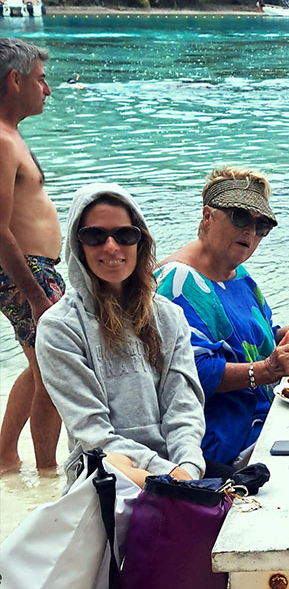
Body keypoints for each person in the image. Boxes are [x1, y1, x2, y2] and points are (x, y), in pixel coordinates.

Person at [156, 166, 289, 474]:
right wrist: (265, 371)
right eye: (240, 217)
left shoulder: (236, 273)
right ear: (207, 216)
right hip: (223, 441)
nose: (250, 232)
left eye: (262, 226)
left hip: (266, 418)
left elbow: (254, 341)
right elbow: (191, 373)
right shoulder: (178, 282)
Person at [35, 184, 205, 489]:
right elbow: (92, 432)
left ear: (140, 241)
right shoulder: (59, 327)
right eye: (95, 236)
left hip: (178, 474)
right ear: (78, 245)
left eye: (125, 235)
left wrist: (189, 468)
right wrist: (167, 476)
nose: (111, 247)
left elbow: (183, 407)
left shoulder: (168, 316)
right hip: (104, 477)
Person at [0, 38, 64, 473]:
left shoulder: (10, 135)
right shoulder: (1, 142)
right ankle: (47, 475)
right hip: (28, 273)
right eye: (41, 80)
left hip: (37, 270)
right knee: (58, 375)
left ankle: (4, 456)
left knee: (41, 365)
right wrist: (37, 296)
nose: (48, 89)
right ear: (15, 79)